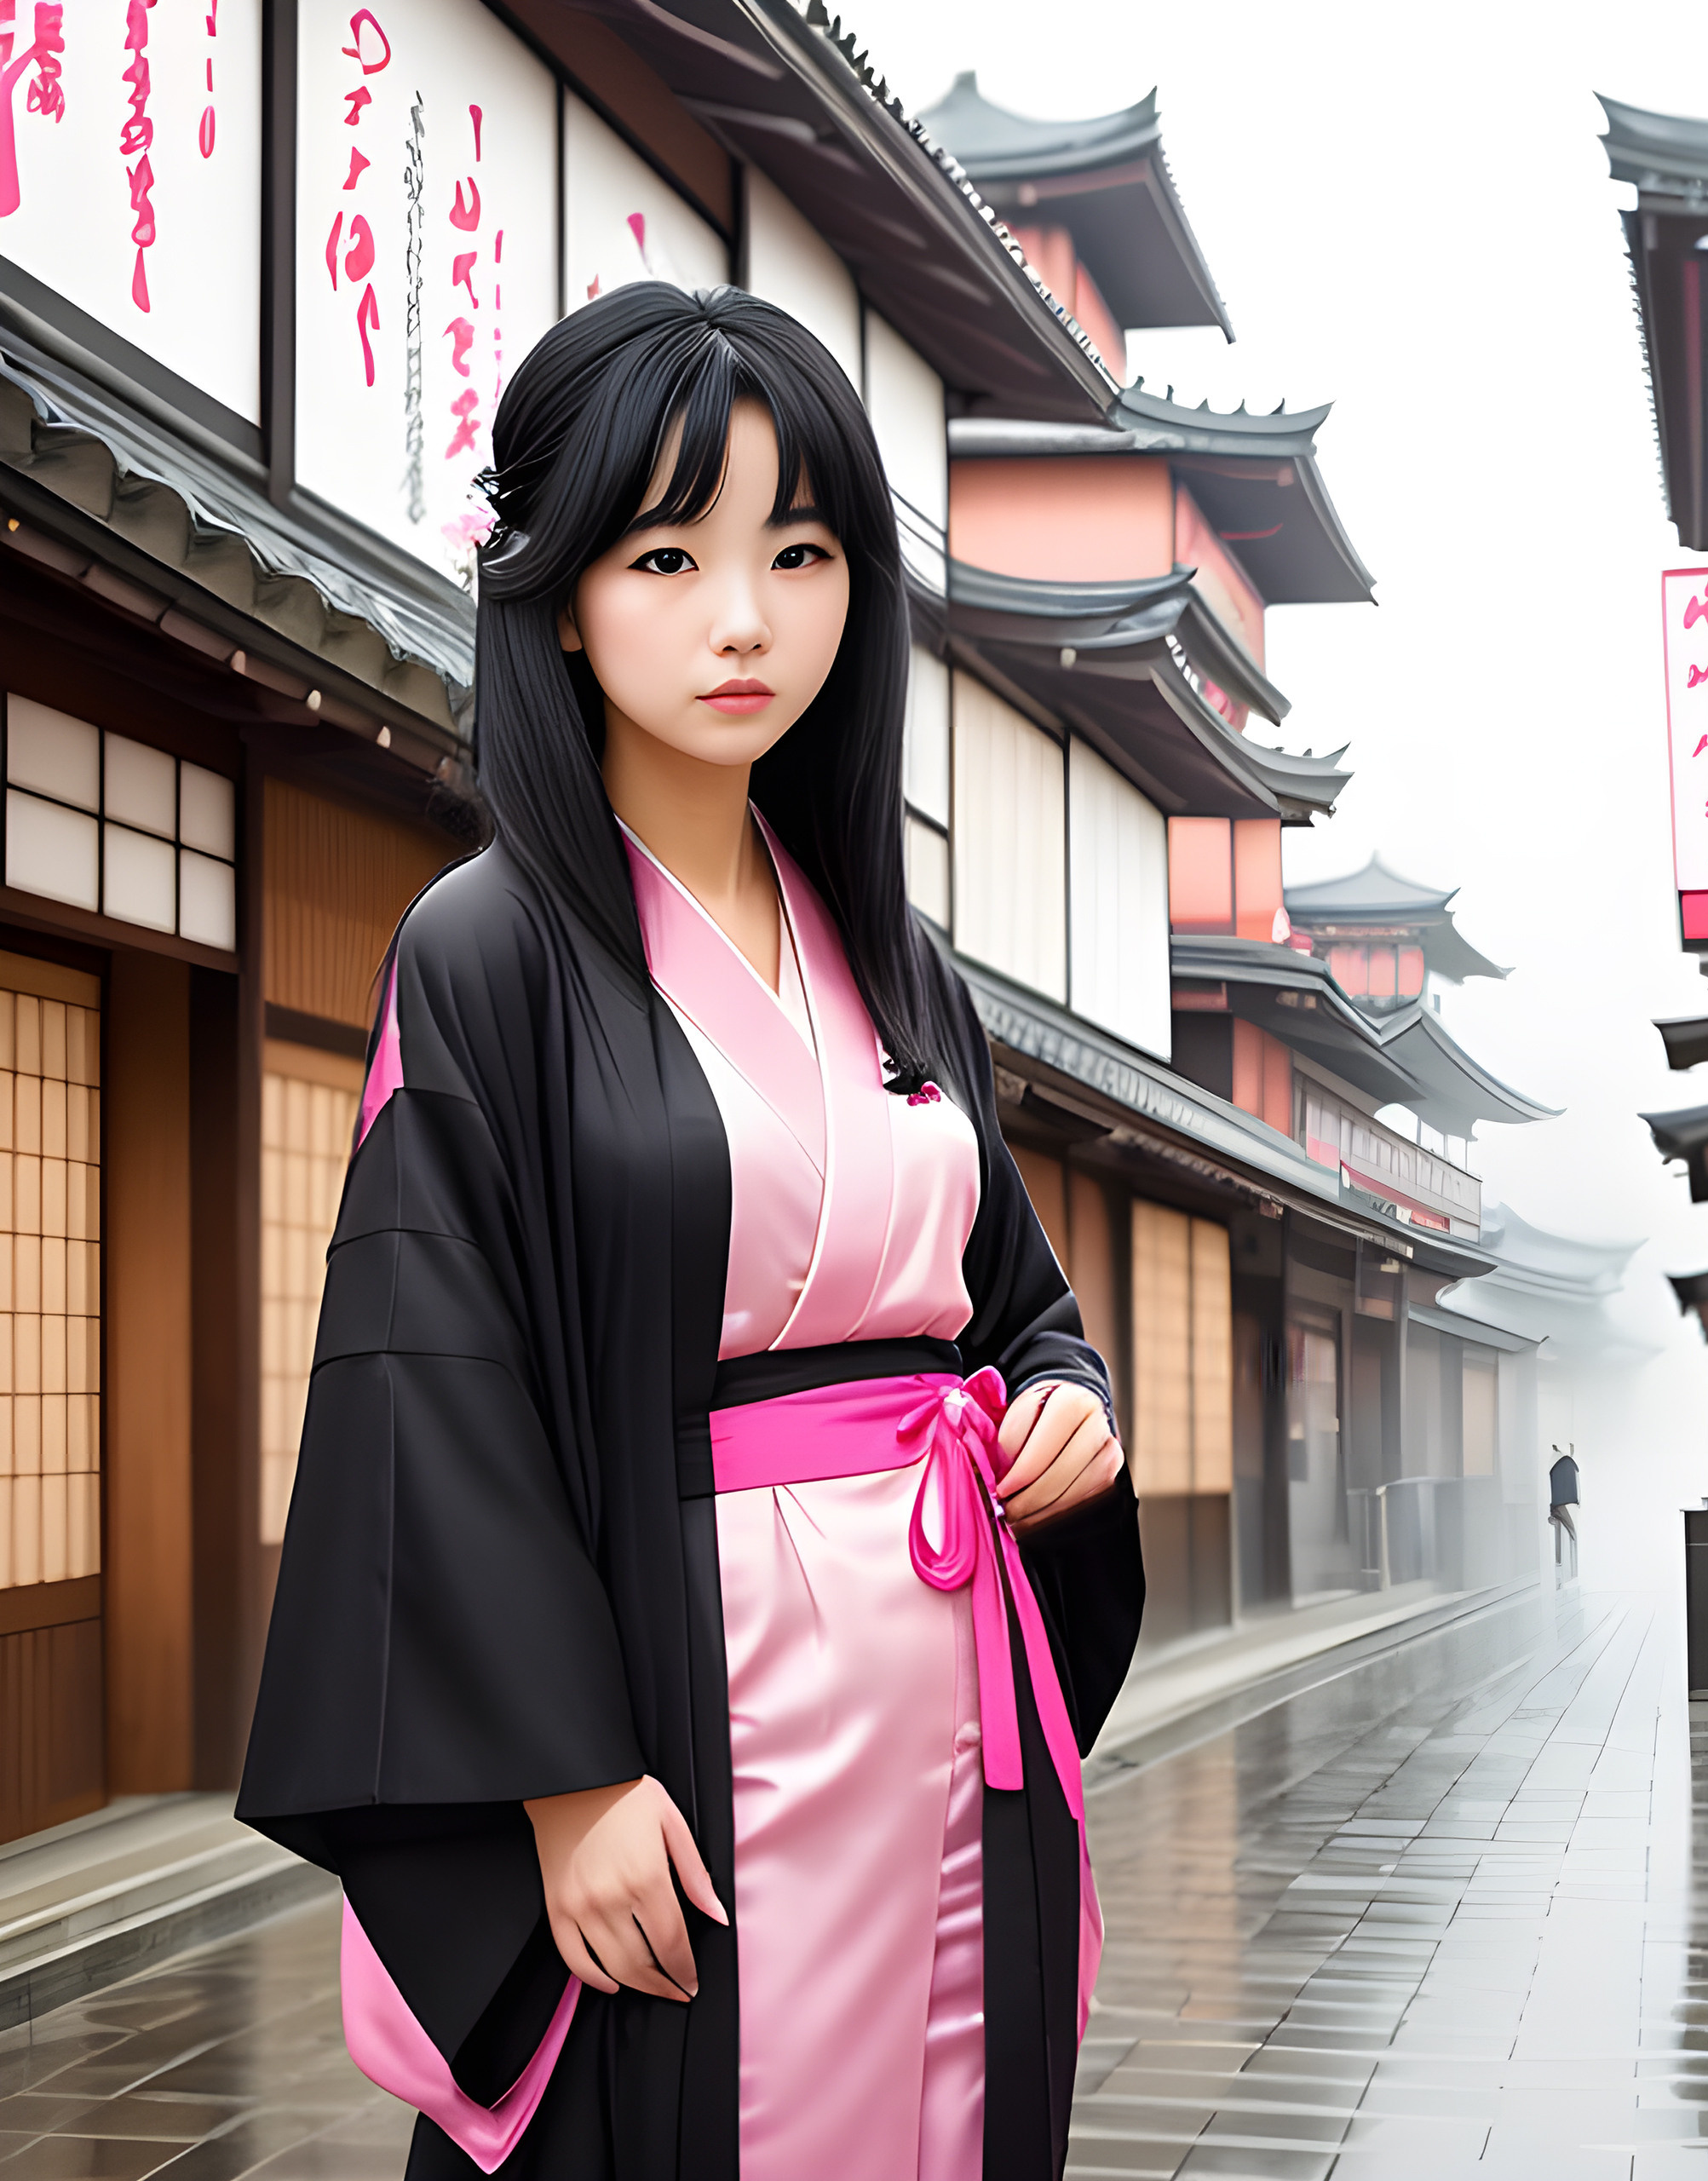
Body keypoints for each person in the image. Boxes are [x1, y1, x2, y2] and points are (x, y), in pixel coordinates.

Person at [236, 283, 1145, 2181]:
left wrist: (1060, 1397)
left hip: (945, 1688)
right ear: (561, 590)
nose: (746, 616)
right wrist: (560, 1775)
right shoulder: (485, 951)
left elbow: (1013, 1303)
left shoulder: (897, 960)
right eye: (669, 552)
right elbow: (432, 1385)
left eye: (798, 552)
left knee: (951, 2105)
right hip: (692, 1691)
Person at [1549, 1447, 1579, 1580]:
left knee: (1572, 1535)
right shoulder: (1565, 1462)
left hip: (1561, 1502)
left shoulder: (1563, 1462)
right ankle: (1571, 1574)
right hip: (1562, 1501)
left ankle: (1571, 1574)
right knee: (1572, 1535)